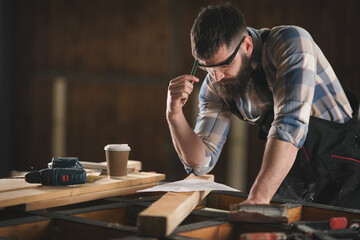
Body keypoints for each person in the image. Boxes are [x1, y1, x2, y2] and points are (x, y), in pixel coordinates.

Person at [166, 3, 360, 209]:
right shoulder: (215, 85)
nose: (217, 76)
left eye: (224, 65)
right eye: (207, 68)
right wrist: (174, 114)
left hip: (346, 168)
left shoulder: (290, 42)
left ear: (247, 45)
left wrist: (258, 198)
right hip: (295, 177)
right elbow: (200, 163)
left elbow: (289, 125)